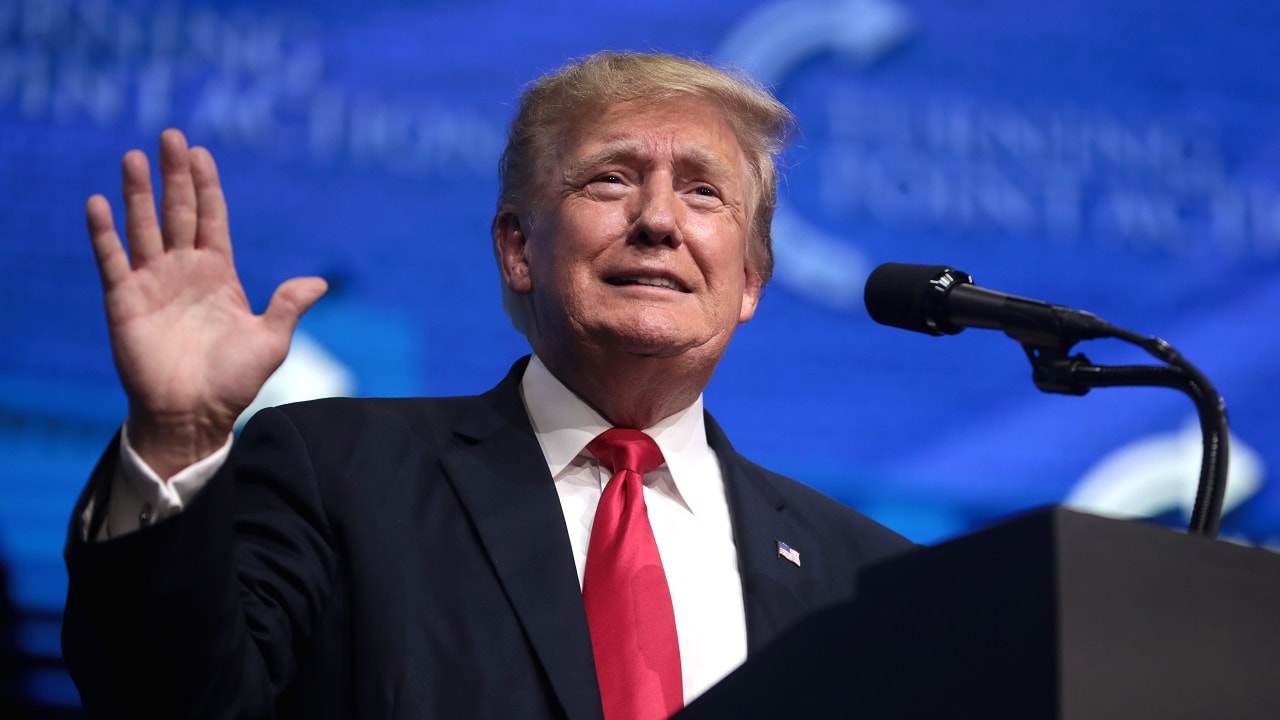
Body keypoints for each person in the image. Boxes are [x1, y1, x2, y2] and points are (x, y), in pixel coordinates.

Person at [62, 51, 913, 719]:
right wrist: (177, 438)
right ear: (517, 248)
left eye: (703, 192)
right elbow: (173, 703)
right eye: (611, 179)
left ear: (752, 280)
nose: (658, 221)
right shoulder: (340, 475)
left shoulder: (869, 577)